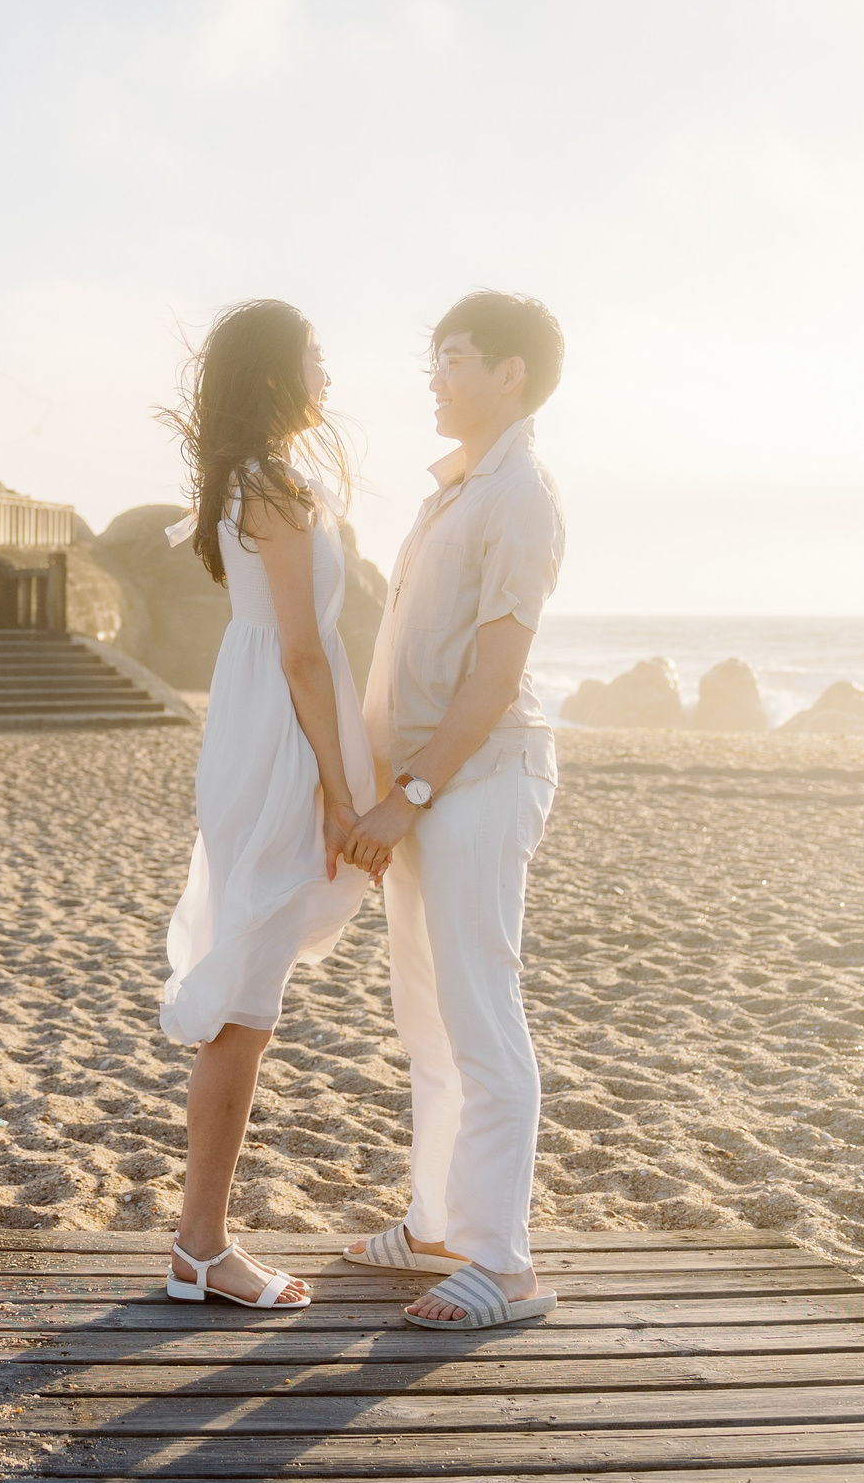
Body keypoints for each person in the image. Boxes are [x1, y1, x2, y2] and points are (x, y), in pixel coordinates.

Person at [340, 289, 569, 1331]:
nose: (434, 375)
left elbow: (492, 676)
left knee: (482, 1015)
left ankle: (501, 1263)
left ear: (509, 373)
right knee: (425, 1015)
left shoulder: (520, 494)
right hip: (426, 785)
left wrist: (409, 794)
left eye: (454, 357)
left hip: (479, 777)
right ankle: (435, 1224)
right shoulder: (455, 491)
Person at [154, 299, 380, 1310]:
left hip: (256, 726)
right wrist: (340, 787)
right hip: (280, 739)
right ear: (275, 375)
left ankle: (201, 1239)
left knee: (249, 984)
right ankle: (200, 1242)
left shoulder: (249, 481)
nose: (326, 374)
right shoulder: (273, 488)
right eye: (314, 358)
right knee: (246, 997)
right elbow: (299, 651)